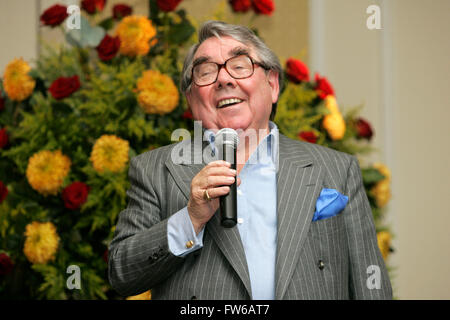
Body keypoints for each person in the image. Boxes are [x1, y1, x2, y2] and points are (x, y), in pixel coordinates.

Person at [108, 20, 392, 300]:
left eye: (240, 65)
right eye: (206, 71)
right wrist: (191, 218)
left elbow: (371, 286)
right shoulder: (154, 171)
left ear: (272, 84)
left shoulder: (337, 169)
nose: (224, 79)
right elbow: (122, 274)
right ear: (192, 99)